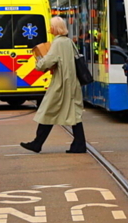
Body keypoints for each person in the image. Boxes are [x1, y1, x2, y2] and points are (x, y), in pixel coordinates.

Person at [19, 16, 87, 154]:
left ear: (55, 28)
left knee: (48, 111)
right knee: (73, 114)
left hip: (60, 83)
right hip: (72, 82)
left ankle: (37, 143)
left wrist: (38, 63)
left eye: (51, 26)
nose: (49, 28)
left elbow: (48, 61)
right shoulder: (68, 42)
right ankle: (79, 144)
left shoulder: (57, 43)